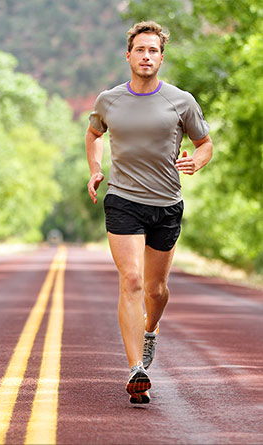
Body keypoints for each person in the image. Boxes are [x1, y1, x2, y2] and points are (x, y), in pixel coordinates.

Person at [85, 21, 212, 404]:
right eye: (140, 50)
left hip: (166, 205)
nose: (146, 56)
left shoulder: (181, 100)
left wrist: (197, 162)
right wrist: (95, 168)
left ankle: (150, 328)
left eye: (153, 50)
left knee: (156, 291)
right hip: (123, 200)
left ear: (161, 56)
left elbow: (204, 142)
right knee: (133, 280)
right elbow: (94, 134)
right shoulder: (109, 100)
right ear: (128, 55)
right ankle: (135, 367)